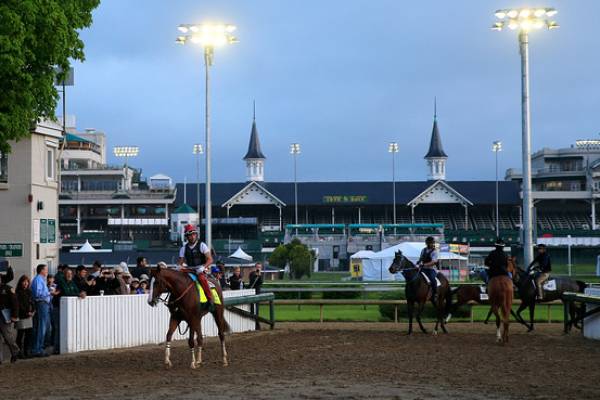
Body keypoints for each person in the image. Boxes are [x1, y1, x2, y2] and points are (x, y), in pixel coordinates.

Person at [178, 224, 214, 308]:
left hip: (201, 269)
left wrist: (203, 267)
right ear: (186, 237)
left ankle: (210, 299)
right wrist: (178, 267)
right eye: (190, 235)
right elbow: (180, 262)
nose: (192, 237)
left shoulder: (202, 245)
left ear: (196, 235)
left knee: (201, 279)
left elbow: (210, 259)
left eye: (194, 234)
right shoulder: (183, 248)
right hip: (189, 269)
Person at [52, 268, 85, 354]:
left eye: (70, 273)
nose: (69, 275)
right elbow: (66, 292)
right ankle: (56, 348)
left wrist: (80, 293)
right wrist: (78, 294)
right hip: (58, 307)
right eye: (68, 273)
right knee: (57, 327)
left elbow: (76, 290)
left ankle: (60, 346)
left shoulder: (72, 282)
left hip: (66, 309)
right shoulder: (61, 282)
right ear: (64, 274)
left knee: (64, 327)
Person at [30, 264, 54, 357]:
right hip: (41, 303)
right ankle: (37, 349)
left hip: (44, 304)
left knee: (44, 327)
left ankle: (38, 348)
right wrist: (49, 292)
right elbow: (37, 294)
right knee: (42, 327)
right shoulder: (38, 280)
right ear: (41, 270)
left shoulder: (40, 280)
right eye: (46, 269)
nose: (47, 271)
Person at [0, 265, 19, 364]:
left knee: (8, 337)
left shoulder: (8, 289)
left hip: (4, 315)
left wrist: (14, 316)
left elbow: (15, 303)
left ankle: (15, 351)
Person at [15, 275, 34, 359]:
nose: (26, 283)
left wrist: (33, 311)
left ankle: (26, 351)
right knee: (20, 335)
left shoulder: (29, 291)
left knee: (29, 335)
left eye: (27, 281)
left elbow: (32, 302)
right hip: (22, 316)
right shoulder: (18, 292)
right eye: (24, 281)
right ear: (21, 282)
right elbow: (19, 305)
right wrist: (27, 312)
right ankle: (19, 352)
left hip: (29, 316)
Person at [417, 236, 439, 302]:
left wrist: (424, 264)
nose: (432, 244)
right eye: (431, 243)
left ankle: (435, 293)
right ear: (427, 243)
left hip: (431, 269)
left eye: (433, 243)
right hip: (423, 268)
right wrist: (418, 262)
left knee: (432, 279)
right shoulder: (423, 250)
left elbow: (434, 262)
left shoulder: (434, 251)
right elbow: (421, 258)